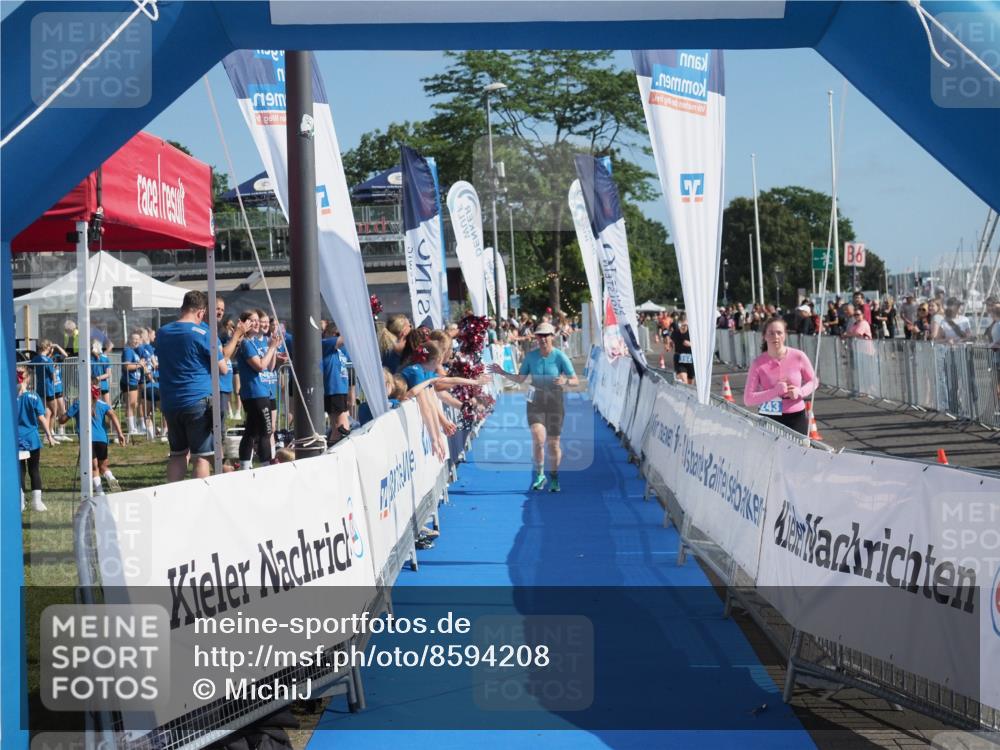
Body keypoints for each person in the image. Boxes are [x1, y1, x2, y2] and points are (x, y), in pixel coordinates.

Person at [488, 322, 578, 492]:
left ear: (552, 337)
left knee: (553, 444)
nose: (543, 339)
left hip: (554, 403)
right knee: (538, 439)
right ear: (536, 337)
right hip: (535, 401)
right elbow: (520, 379)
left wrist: (565, 381)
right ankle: (540, 475)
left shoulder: (560, 356)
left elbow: (575, 380)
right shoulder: (531, 357)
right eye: (539, 336)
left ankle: (554, 477)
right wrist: (502, 372)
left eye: (546, 336)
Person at [156, 291, 227, 482]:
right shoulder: (204, 334)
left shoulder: (162, 333)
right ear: (201, 312)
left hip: (171, 401)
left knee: (178, 454)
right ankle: (199, 497)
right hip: (197, 400)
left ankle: (173, 493)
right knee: (201, 456)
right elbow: (223, 369)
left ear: (183, 308)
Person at [743, 317, 818, 435]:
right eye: (771, 333)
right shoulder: (758, 363)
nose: (776, 336)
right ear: (764, 336)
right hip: (769, 417)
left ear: (785, 335)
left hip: (796, 416)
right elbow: (748, 399)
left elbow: (814, 381)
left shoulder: (798, 356)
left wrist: (800, 392)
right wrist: (775, 392)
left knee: (797, 447)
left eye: (779, 333)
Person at [236, 309, 282, 469]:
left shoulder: (253, 342)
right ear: (245, 323)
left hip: (260, 392)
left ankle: (245, 466)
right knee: (266, 431)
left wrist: (273, 348)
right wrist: (272, 348)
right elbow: (260, 366)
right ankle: (265, 466)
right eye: (253, 320)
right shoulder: (246, 343)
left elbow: (270, 367)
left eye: (258, 320)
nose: (257, 323)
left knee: (252, 430)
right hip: (255, 393)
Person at [62, 384, 126, 495]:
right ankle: (111, 479)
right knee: (103, 467)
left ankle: (100, 493)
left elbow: (62, 420)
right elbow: (113, 416)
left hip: (88, 440)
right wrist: (120, 433)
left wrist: (62, 414)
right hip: (102, 440)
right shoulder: (103, 404)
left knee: (94, 468)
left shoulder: (79, 404)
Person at [16, 365, 55, 511]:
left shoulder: (9, 398)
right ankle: (37, 502)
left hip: (16, 440)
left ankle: (20, 502)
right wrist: (49, 436)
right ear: (28, 379)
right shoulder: (33, 397)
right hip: (32, 439)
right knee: (34, 469)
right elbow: (42, 418)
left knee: (19, 471)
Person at [31, 339, 70, 442]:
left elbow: (30, 367)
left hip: (40, 388)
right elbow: (53, 376)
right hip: (49, 389)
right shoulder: (48, 360)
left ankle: (48, 435)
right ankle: (49, 436)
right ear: (47, 348)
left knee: (47, 411)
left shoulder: (36, 358)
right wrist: (54, 378)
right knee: (53, 411)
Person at [322, 324, 352, 443]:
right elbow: (345, 338)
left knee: (338, 428)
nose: (339, 337)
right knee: (342, 428)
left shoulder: (341, 350)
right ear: (329, 334)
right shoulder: (325, 343)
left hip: (341, 390)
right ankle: (332, 449)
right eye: (337, 334)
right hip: (334, 390)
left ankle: (331, 448)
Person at [667, 314, 695, 385]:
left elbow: (698, 345)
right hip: (679, 359)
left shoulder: (692, 333)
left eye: (685, 325)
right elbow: (671, 342)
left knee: (690, 384)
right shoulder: (675, 332)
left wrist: (691, 344)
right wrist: (669, 346)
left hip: (690, 359)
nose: (683, 327)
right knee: (684, 382)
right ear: (679, 324)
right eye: (681, 325)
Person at [90, 339, 112, 404]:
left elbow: (108, 374)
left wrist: (97, 378)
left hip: (103, 385)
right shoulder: (88, 358)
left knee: (108, 406)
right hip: (92, 386)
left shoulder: (104, 358)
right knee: (93, 405)